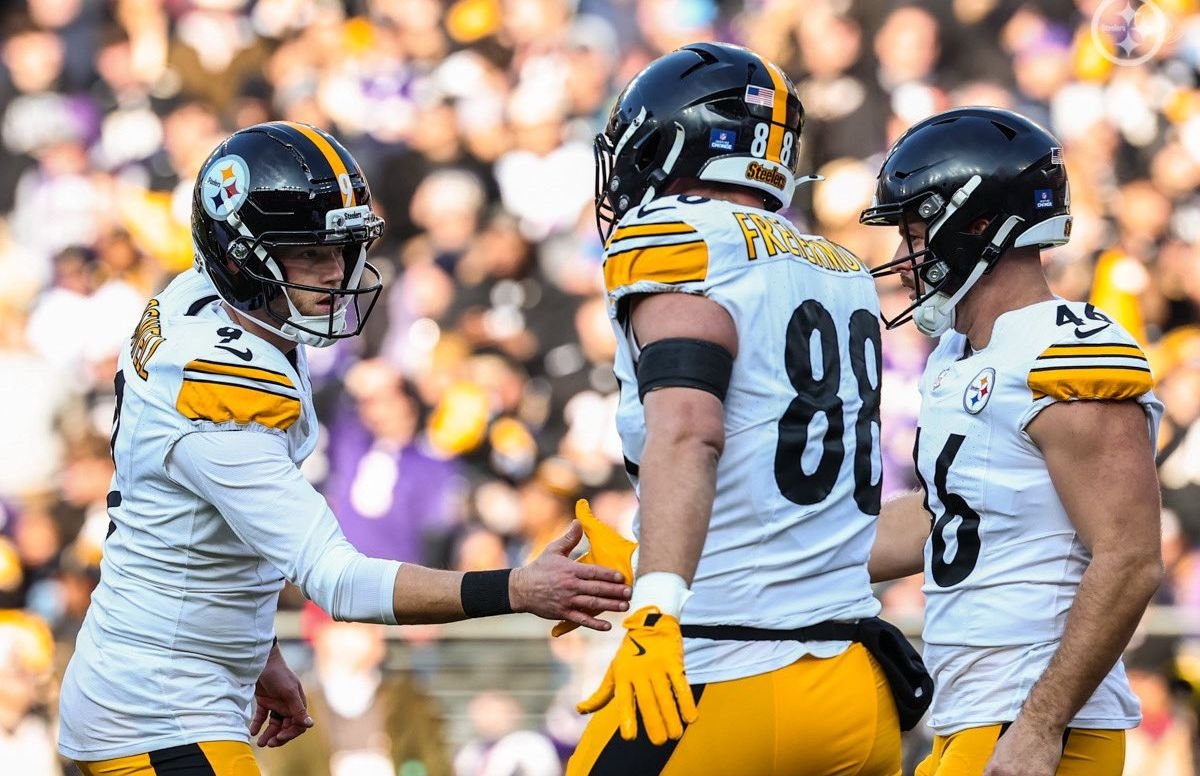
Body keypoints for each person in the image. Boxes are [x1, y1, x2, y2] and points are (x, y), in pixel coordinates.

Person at [56, 121, 631, 776]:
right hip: (156, 711)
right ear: (241, 259)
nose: (336, 273)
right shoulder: (223, 385)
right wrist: (518, 588)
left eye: (343, 249)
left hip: (149, 682)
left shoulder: (205, 304)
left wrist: (258, 652)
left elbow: (200, 531)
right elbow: (340, 582)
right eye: (310, 254)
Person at [565, 42, 928, 775]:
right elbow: (792, 520)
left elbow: (689, 433)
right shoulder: (841, 267)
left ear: (670, 144)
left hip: (729, 674)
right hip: (859, 694)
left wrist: (655, 605)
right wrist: (644, 556)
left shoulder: (676, 236)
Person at [860, 107, 1165, 776]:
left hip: (1034, 721)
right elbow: (945, 516)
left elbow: (1131, 556)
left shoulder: (1064, 352)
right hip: (974, 714)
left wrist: (1040, 724)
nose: (903, 260)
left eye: (915, 233)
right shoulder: (959, 353)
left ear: (978, 227)